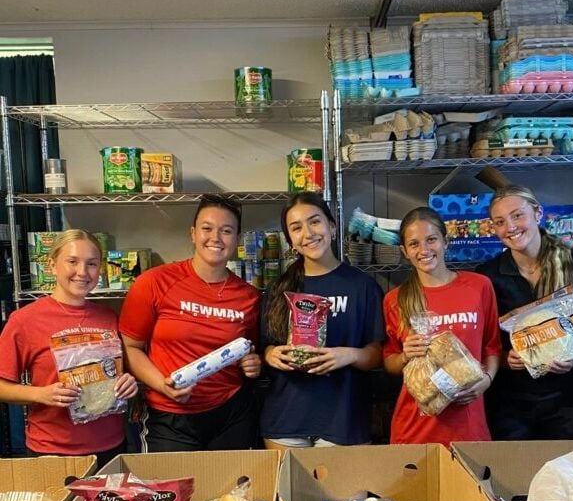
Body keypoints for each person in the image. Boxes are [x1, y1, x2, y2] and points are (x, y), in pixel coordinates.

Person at [383, 206, 501, 501]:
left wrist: (487, 381)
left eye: (430, 240)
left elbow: (491, 346)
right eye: (413, 243)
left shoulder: (478, 287)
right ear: (405, 251)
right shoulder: (397, 299)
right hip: (415, 427)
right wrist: (403, 354)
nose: (423, 250)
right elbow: (389, 363)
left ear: (445, 240)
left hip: (469, 426)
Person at [119, 194, 262, 452]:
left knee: (232, 492)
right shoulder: (154, 282)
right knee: (172, 490)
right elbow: (130, 347)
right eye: (207, 228)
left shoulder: (248, 296)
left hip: (231, 415)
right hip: (170, 416)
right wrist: (162, 384)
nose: (215, 238)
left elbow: (248, 349)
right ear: (193, 233)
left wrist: (252, 362)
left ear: (237, 240)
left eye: (227, 231)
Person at [0, 229, 138, 466]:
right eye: (72, 262)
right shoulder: (24, 320)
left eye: (92, 264)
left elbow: (122, 372)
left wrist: (129, 382)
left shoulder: (109, 317)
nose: (82, 272)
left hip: (111, 446)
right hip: (52, 450)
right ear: (52, 265)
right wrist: (41, 394)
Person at [477, 183, 573, 440]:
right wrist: (503, 357)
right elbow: (482, 343)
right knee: (512, 476)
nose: (510, 227)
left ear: (538, 213)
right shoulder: (486, 277)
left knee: (568, 474)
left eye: (517, 215)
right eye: (500, 221)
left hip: (567, 401)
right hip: (509, 404)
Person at [261, 192, 384, 449]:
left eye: (315, 221)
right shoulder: (278, 289)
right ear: (291, 241)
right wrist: (271, 354)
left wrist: (348, 355)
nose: (308, 233)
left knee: (347, 491)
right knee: (289, 491)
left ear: (332, 226)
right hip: (286, 420)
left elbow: (378, 353)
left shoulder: (363, 287)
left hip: (344, 420)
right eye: (296, 228)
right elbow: (266, 346)